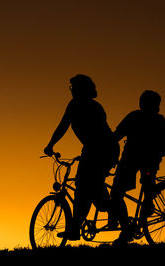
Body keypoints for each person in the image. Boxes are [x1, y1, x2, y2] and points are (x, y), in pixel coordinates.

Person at [44, 74, 119, 240]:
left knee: (87, 188)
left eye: (74, 87)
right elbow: (63, 126)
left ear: (82, 89)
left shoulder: (93, 108)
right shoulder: (74, 105)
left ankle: (111, 213)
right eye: (71, 87)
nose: (72, 90)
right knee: (86, 189)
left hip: (104, 149)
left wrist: (51, 145)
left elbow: (99, 136)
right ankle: (76, 227)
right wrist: (51, 144)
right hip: (94, 150)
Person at [110, 90, 165, 245]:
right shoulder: (160, 120)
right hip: (149, 161)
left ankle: (126, 230)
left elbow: (116, 135)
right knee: (145, 183)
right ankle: (148, 203)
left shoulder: (134, 116)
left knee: (117, 192)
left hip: (132, 159)